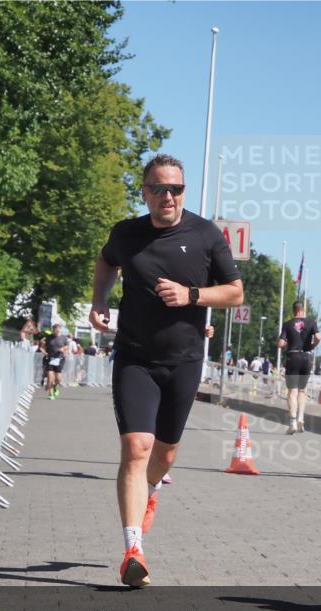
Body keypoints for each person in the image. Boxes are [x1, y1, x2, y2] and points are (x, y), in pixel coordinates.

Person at [90, 153, 243, 588]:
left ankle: (151, 493)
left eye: (175, 189)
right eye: (159, 188)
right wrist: (99, 300)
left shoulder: (205, 234)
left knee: (165, 454)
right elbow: (106, 262)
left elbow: (234, 293)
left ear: (183, 192)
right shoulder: (127, 233)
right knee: (137, 448)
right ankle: (132, 549)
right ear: (145, 192)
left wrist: (191, 295)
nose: (168, 197)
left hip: (185, 361)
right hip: (135, 356)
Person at [278, 301, 320, 434]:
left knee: (292, 392)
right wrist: (312, 345)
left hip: (293, 357)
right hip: (306, 358)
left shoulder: (287, 324)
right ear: (303, 310)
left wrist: (286, 343)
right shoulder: (311, 322)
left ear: (293, 310)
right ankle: (301, 418)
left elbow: (280, 343)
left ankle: (293, 422)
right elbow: (318, 337)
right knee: (302, 391)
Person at [43, 323, 70, 399]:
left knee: (58, 379)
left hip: (60, 359)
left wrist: (64, 349)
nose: (57, 332)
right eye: (55, 331)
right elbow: (43, 346)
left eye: (58, 331)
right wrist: (44, 351)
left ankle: (55, 387)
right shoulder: (48, 337)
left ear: (60, 330)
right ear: (53, 330)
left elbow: (67, 347)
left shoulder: (64, 338)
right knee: (50, 378)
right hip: (50, 359)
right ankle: (50, 394)